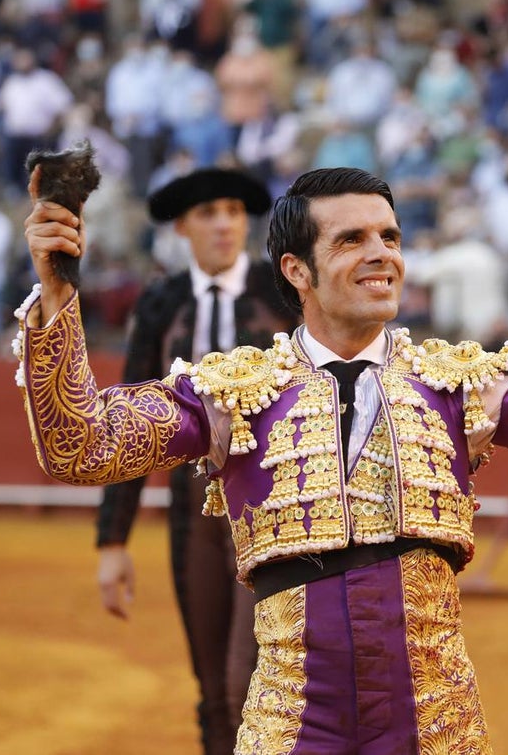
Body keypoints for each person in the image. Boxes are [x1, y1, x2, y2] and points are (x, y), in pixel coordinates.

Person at [16, 166, 508, 752]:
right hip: (292, 723)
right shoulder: (234, 390)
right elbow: (83, 443)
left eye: (391, 236)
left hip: (436, 722)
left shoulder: (463, 382)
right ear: (296, 270)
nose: (382, 254)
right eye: (353, 238)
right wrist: (57, 298)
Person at [95, 167, 298, 755]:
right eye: (209, 213)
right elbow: (128, 422)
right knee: (212, 692)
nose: (224, 225)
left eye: (234, 211)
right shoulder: (161, 302)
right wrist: (113, 542)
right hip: (193, 515)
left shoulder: (281, 292)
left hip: (270, 510)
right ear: (183, 225)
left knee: (248, 687)